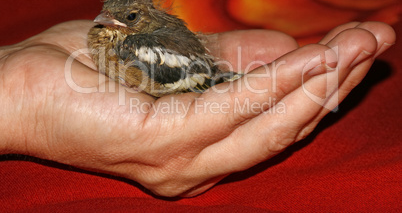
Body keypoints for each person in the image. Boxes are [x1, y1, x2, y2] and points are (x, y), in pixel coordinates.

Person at [0, 20, 395, 197]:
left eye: (126, 19)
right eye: (107, 17)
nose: (106, 23)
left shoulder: (135, 47)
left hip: (193, 78)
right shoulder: (110, 37)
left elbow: (183, 77)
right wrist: (17, 93)